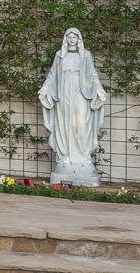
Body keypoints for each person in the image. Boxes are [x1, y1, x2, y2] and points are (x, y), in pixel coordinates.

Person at [38, 27, 106, 186]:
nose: (71, 39)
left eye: (74, 37)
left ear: (79, 39)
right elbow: (52, 75)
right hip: (63, 95)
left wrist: (99, 89)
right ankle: (65, 157)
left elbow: (92, 74)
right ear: (65, 39)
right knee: (64, 124)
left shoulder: (85, 55)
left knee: (81, 124)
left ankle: (83, 158)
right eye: (69, 37)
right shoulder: (59, 55)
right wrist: (45, 89)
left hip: (80, 94)